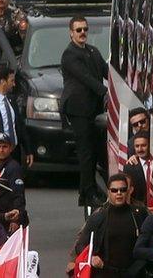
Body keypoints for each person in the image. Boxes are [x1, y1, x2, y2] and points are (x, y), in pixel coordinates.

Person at [60, 15, 109, 207]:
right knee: (86, 152)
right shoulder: (69, 54)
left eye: (85, 29)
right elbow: (85, 77)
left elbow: (107, 71)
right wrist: (105, 91)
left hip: (94, 110)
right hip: (78, 109)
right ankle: (87, 193)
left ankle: (89, 188)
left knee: (97, 151)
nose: (82, 33)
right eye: (78, 30)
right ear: (71, 33)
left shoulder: (93, 51)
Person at [68, 173, 148, 277]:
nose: (119, 193)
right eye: (114, 190)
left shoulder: (139, 214)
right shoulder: (98, 217)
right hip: (105, 272)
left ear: (128, 191)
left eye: (122, 189)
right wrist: (91, 257)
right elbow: (80, 245)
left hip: (134, 273)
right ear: (108, 192)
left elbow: (149, 241)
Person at [123, 132, 153, 211]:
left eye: (143, 145)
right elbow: (128, 194)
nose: (140, 149)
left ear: (150, 146)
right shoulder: (129, 167)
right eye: (137, 146)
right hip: (140, 211)